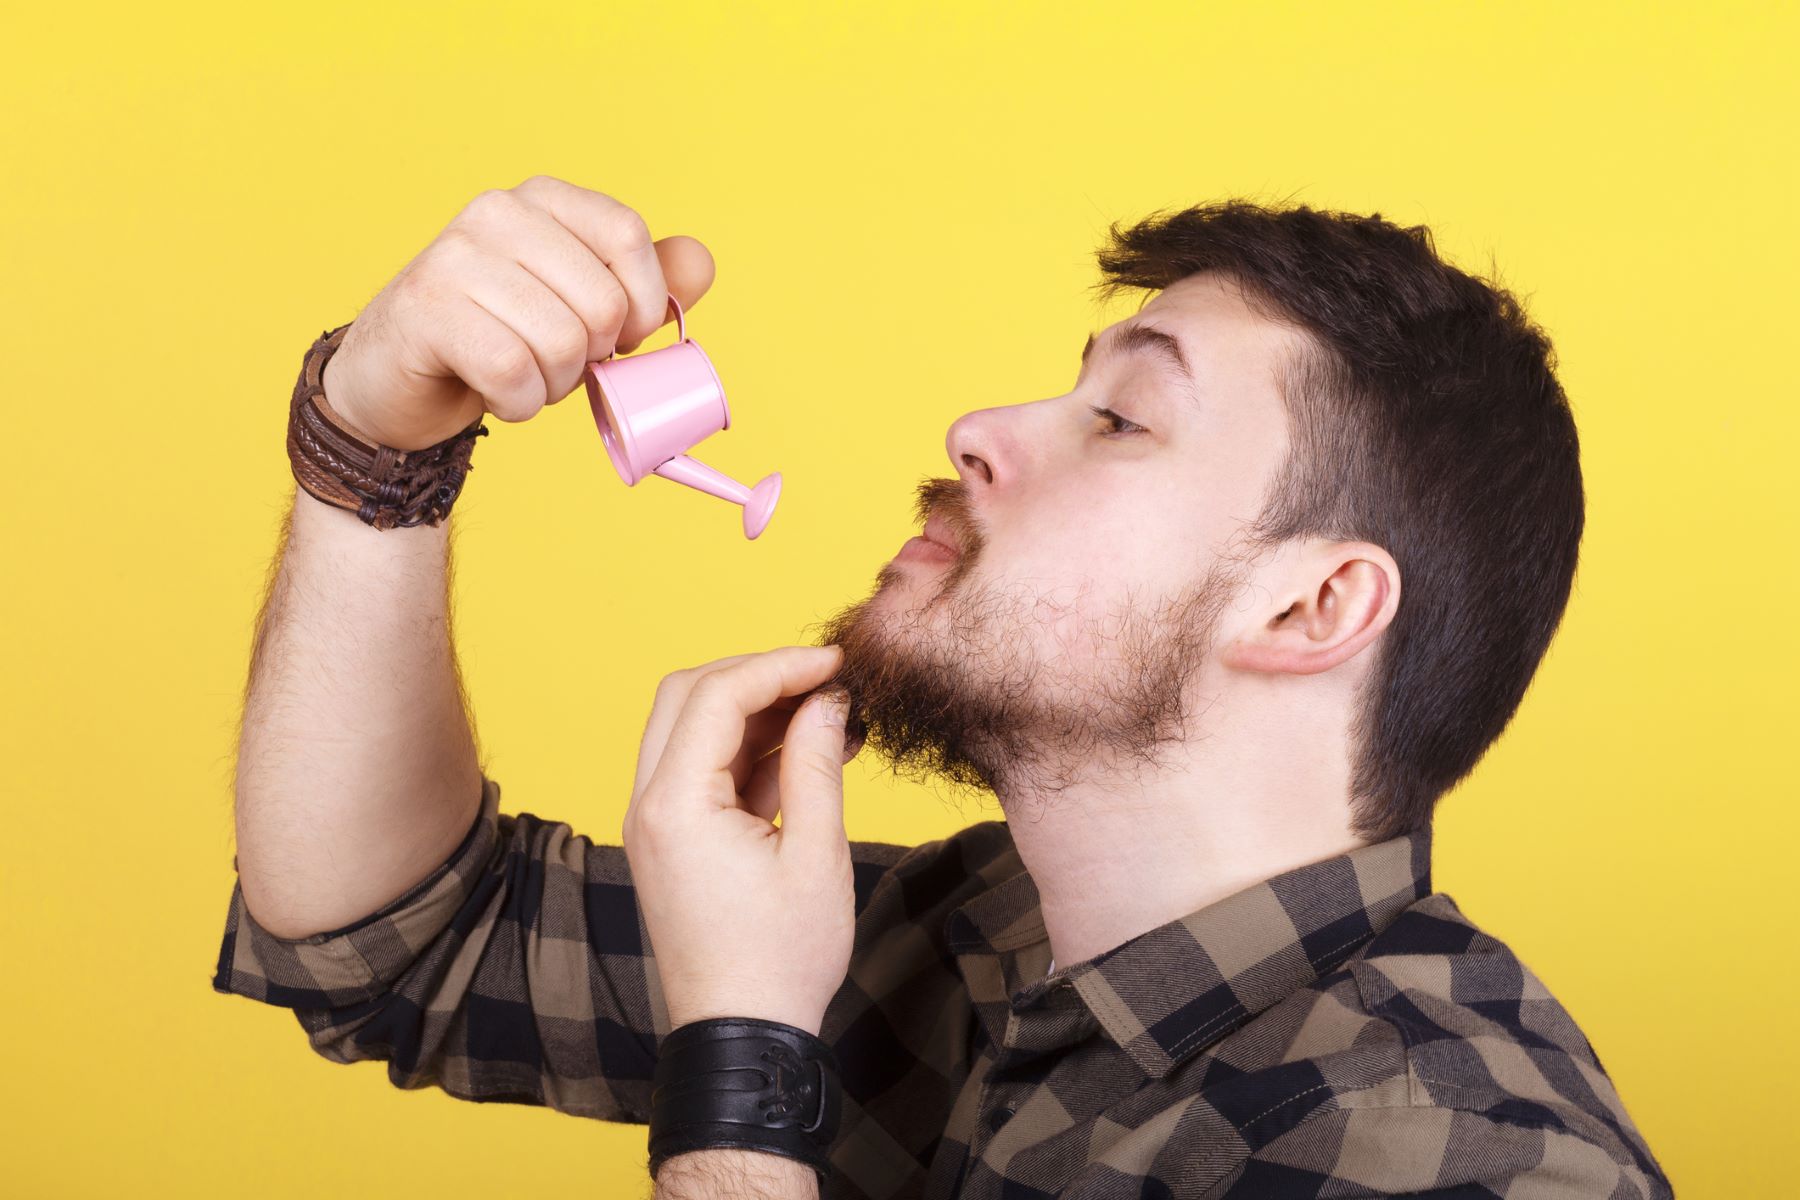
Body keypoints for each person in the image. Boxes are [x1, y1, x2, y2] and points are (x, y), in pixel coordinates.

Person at [213, 176, 1672, 1199]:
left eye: (1121, 417)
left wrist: (741, 1057)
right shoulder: (981, 942)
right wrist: (374, 440)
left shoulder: (1456, 1157)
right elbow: (398, 944)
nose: (978, 428)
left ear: (1312, 604)